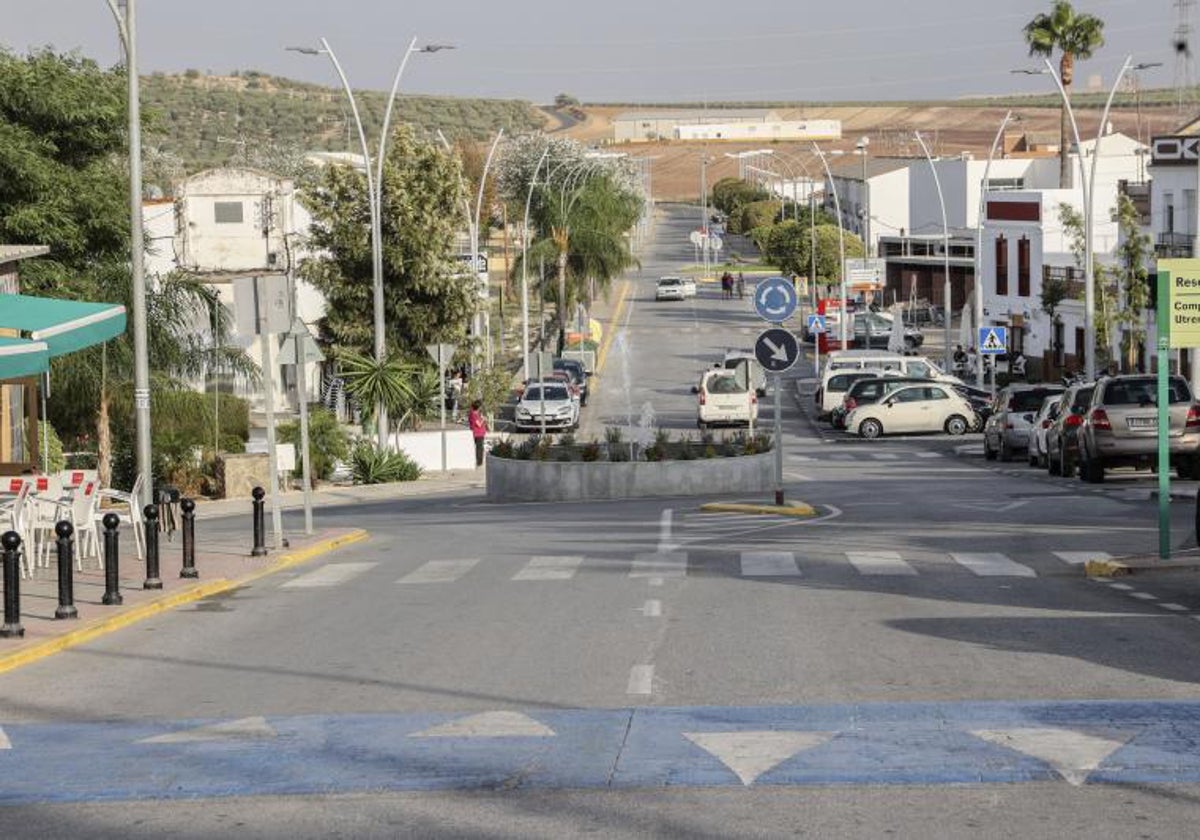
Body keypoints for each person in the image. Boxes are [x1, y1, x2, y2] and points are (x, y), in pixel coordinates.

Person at [468, 400, 487, 468]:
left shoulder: (475, 413)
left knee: (480, 448)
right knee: (479, 448)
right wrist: (483, 419)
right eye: (480, 407)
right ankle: (479, 462)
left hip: (480, 433)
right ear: (478, 407)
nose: (481, 408)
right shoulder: (474, 414)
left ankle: (479, 461)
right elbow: (478, 424)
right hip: (478, 433)